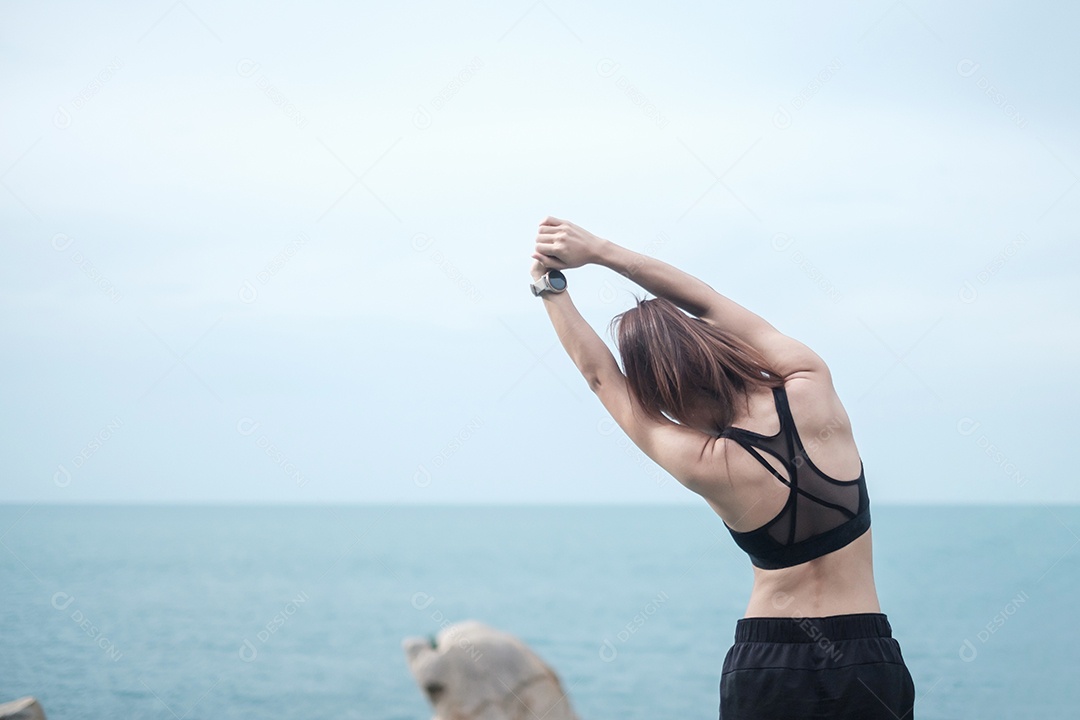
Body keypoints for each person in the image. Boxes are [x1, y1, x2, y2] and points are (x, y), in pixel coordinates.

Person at [529, 216, 916, 719]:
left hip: (770, 664)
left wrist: (549, 287)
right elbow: (706, 302)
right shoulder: (808, 381)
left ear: (660, 395)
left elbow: (602, 378)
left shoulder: (703, 462)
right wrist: (599, 250)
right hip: (868, 657)